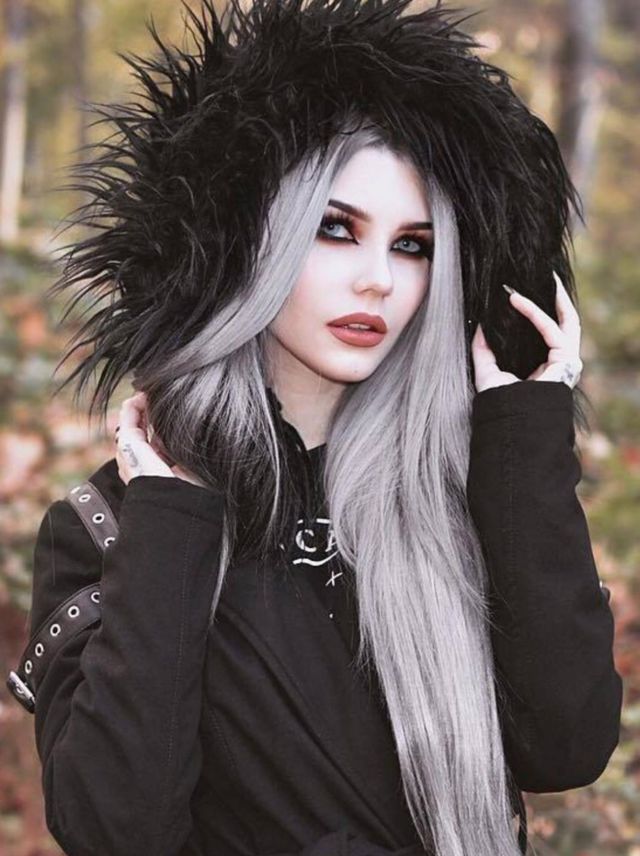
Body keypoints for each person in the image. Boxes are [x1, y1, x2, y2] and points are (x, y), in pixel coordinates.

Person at [6, 0, 622, 854]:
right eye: (336, 229)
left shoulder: (471, 492)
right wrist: (173, 524)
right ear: (248, 242)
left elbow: (567, 744)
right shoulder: (115, 526)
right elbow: (115, 829)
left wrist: (523, 434)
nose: (377, 281)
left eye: (412, 246)